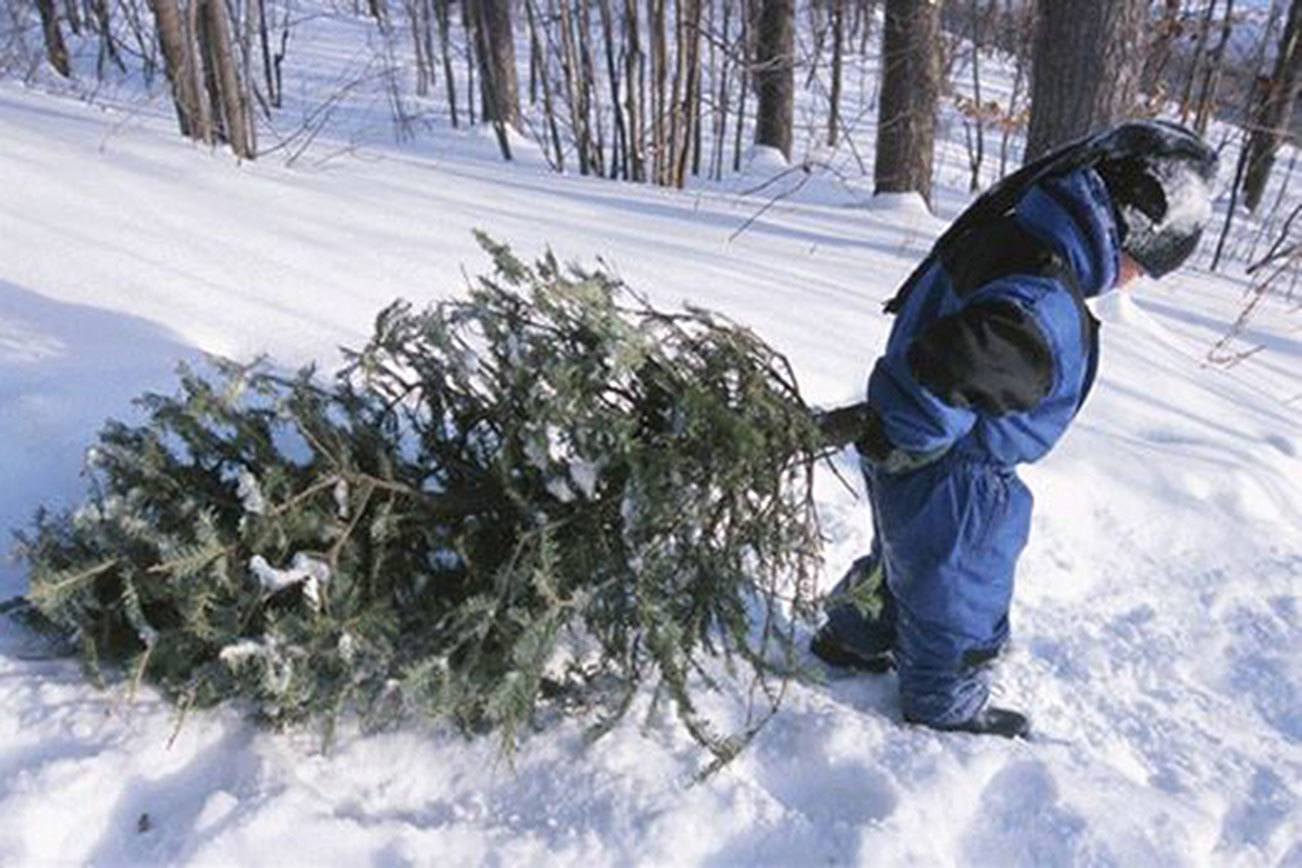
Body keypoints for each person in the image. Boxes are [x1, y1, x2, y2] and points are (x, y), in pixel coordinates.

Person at [812, 120, 1219, 738]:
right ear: (1126, 226)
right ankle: (943, 702)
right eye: (1142, 265)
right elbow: (950, 373)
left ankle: (854, 636)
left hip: (914, 448)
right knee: (958, 589)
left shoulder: (1013, 230)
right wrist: (906, 431)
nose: (1134, 279)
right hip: (957, 470)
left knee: (902, 554)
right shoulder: (1039, 305)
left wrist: (897, 436)